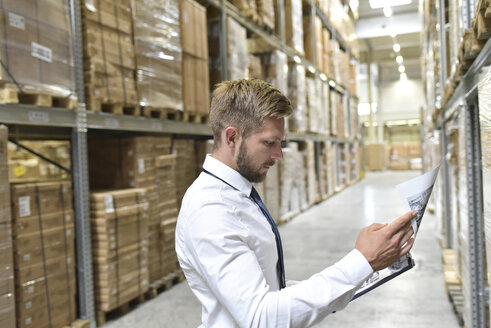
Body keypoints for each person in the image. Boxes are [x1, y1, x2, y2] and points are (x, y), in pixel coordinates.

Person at [175, 79, 416, 327]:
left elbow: (269, 289)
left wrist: (363, 269)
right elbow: (261, 317)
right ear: (232, 137)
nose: (279, 154)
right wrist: (361, 261)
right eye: (270, 142)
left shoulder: (235, 194)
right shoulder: (211, 211)